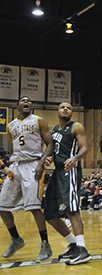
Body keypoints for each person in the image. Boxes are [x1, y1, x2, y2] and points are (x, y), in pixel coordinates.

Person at [0, 96, 53, 262]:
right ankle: (16, 239)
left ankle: (45, 244)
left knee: (34, 207)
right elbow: (12, 147)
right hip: (15, 166)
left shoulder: (39, 121)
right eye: (23, 101)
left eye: (29, 101)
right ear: (17, 106)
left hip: (32, 165)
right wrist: (8, 166)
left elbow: (50, 144)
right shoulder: (10, 125)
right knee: (2, 207)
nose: (27, 102)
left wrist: (41, 163)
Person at [44, 102, 92, 265]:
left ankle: (82, 250)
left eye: (69, 108)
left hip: (69, 170)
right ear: (57, 112)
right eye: (62, 107)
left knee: (72, 210)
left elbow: (84, 148)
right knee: (50, 214)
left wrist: (75, 158)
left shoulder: (76, 126)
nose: (65, 109)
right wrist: (49, 158)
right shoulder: (55, 130)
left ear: (71, 113)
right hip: (56, 172)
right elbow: (53, 151)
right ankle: (73, 244)